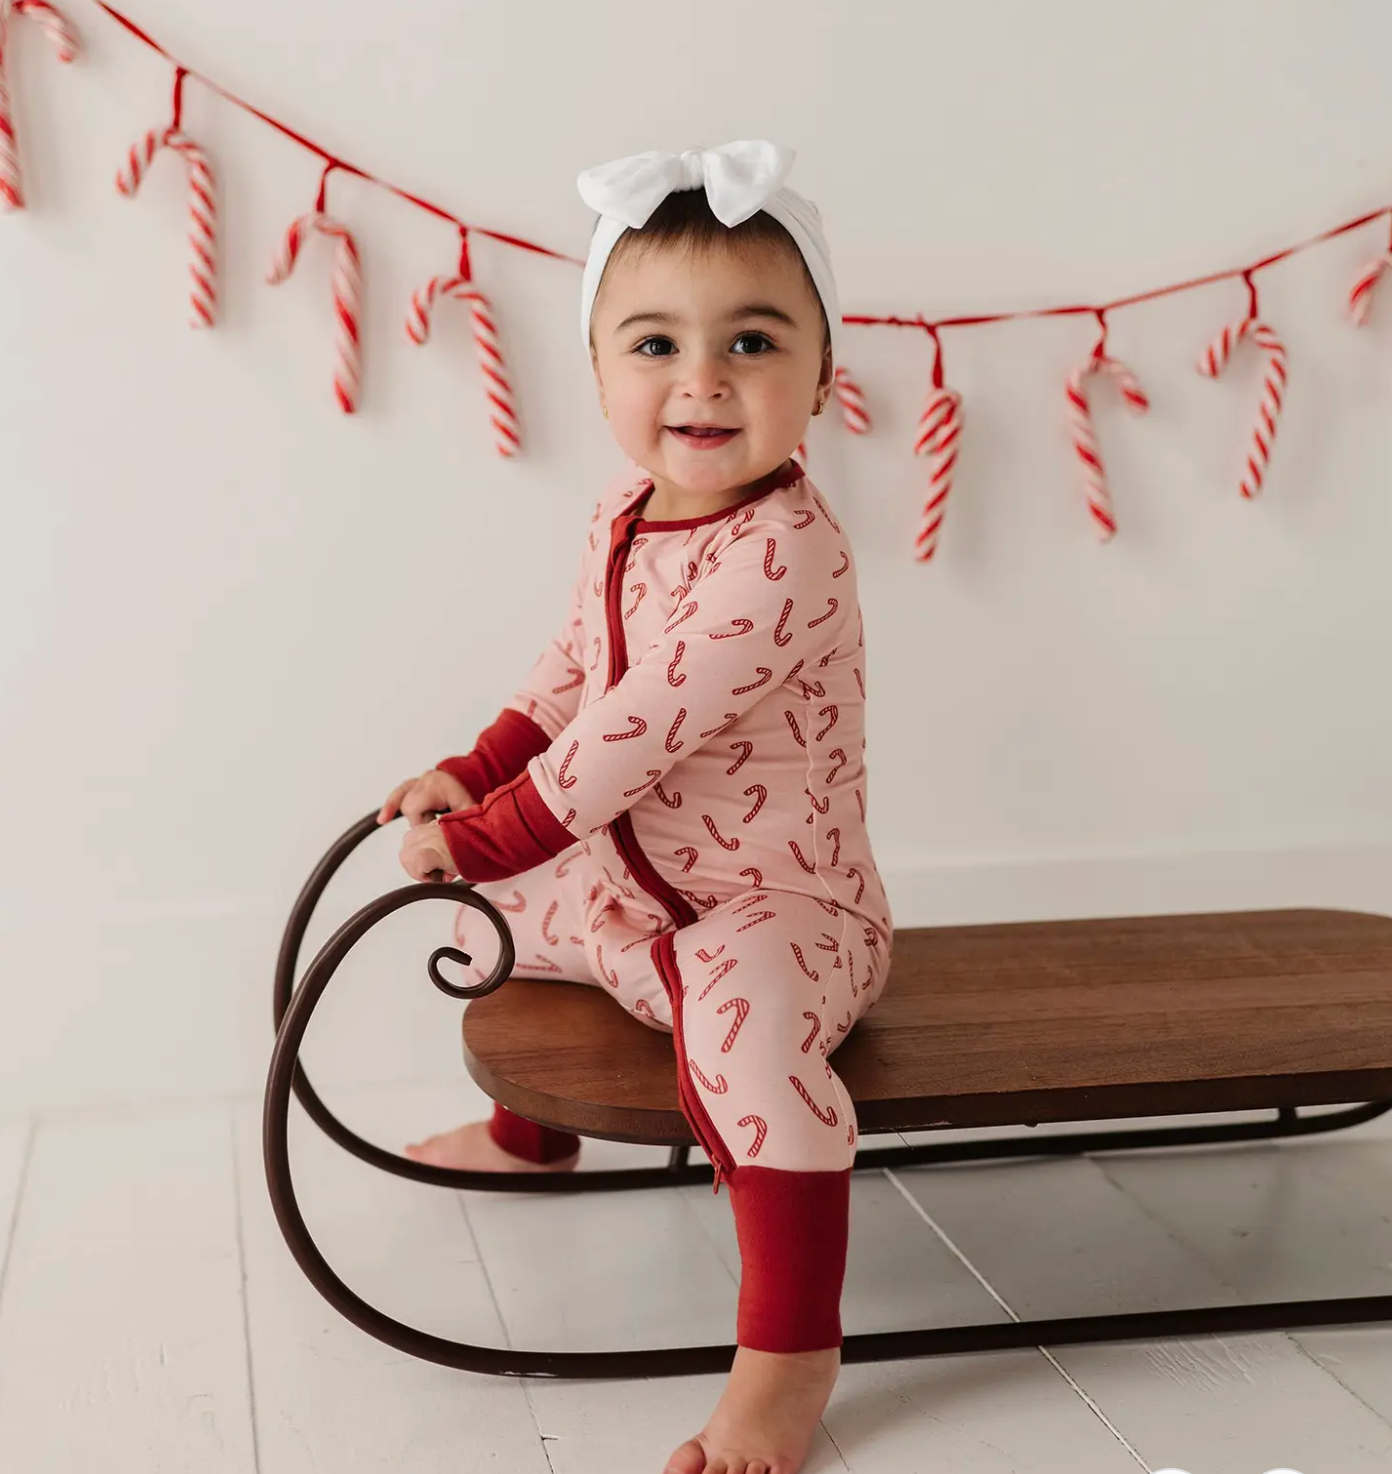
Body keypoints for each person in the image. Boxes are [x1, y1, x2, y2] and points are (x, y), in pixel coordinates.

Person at [377, 139, 893, 1474]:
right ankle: (533, 1134)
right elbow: (573, 672)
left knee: (747, 1044)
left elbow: (632, 730)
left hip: (781, 911)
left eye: (752, 341)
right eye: (656, 344)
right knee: (500, 915)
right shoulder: (623, 511)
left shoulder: (785, 556)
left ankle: (789, 1352)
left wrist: (488, 831)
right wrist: (478, 767)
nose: (702, 378)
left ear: (822, 377)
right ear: (600, 373)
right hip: (634, 893)